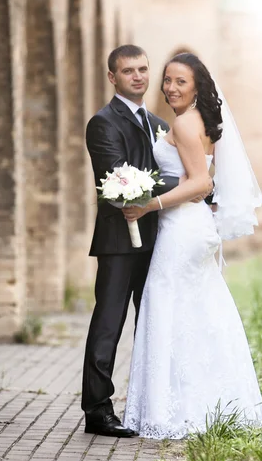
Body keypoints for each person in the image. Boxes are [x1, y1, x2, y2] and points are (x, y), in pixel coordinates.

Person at [122, 52, 262, 439]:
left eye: (180, 82)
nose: (170, 88)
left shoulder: (185, 124)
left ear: (197, 86)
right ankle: (215, 404)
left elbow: (201, 184)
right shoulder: (202, 121)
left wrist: (148, 203)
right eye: (167, 80)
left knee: (165, 305)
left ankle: (172, 410)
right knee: (200, 310)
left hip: (183, 227)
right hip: (195, 226)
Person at [82, 45, 212, 438]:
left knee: (155, 322)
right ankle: (98, 410)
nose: (137, 77)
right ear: (113, 78)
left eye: (142, 69)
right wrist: (194, 184)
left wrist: (198, 183)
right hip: (119, 240)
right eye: (127, 71)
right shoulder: (103, 123)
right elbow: (120, 179)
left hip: (160, 238)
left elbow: (166, 167)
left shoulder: (158, 122)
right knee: (109, 322)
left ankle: (148, 402)